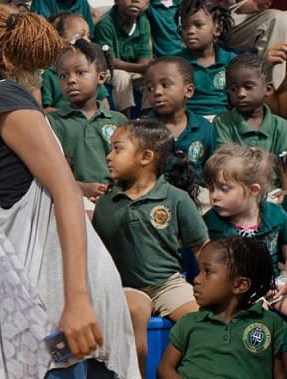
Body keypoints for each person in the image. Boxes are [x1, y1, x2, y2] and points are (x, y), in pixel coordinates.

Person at [0, 1, 138, 377]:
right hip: (45, 296)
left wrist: (76, 299)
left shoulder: (5, 99)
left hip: (65, 301)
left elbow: (66, 189)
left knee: (61, 370)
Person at [93, 120, 208, 376]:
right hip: (126, 286)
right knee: (134, 314)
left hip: (169, 284)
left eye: (117, 149)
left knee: (204, 324)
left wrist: (208, 287)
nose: (109, 156)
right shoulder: (106, 203)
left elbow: (202, 248)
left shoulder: (176, 198)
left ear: (146, 157)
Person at [158, 236, 287, 378]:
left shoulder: (272, 325)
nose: (196, 279)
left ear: (240, 285)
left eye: (207, 271)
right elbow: (164, 369)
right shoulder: (188, 322)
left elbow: (280, 375)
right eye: (198, 271)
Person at [47, 38, 125, 202]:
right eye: (63, 75)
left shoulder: (118, 120)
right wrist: (80, 188)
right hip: (72, 199)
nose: (71, 80)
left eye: (80, 72)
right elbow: (49, 170)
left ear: (101, 77)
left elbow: (128, 167)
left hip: (116, 198)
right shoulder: (52, 122)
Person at [202, 145, 287, 278]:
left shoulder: (277, 215)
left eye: (224, 189)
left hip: (272, 288)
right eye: (211, 189)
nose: (214, 196)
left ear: (253, 190)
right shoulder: (209, 222)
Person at [144, 57, 216, 184]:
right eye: (150, 88)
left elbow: (212, 171)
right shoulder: (142, 130)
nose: (157, 92)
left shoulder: (205, 127)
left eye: (165, 85)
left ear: (188, 91)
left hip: (197, 194)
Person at [94, 0, 152, 115]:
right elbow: (110, 62)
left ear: (147, 4)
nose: (135, 0)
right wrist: (141, 68)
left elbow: (144, 55)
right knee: (122, 78)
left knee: (152, 77)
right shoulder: (105, 24)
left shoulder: (143, 23)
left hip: (133, 69)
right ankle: (125, 118)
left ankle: (147, 118)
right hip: (108, 69)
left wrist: (145, 68)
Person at [175, 0, 235, 118]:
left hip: (224, 121)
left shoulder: (231, 61)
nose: (190, 31)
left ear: (217, 29)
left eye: (198, 25)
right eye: (185, 26)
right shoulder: (176, 63)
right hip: (190, 122)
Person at [213, 54, 287, 156]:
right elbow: (225, 162)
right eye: (233, 89)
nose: (240, 94)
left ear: (268, 89)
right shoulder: (222, 122)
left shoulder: (282, 127)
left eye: (248, 87)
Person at [40, 12, 110, 111]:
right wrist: (74, 116)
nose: (88, 41)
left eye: (88, 36)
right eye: (81, 36)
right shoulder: (49, 74)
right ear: (59, 41)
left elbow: (105, 106)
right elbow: (46, 109)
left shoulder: (92, 71)